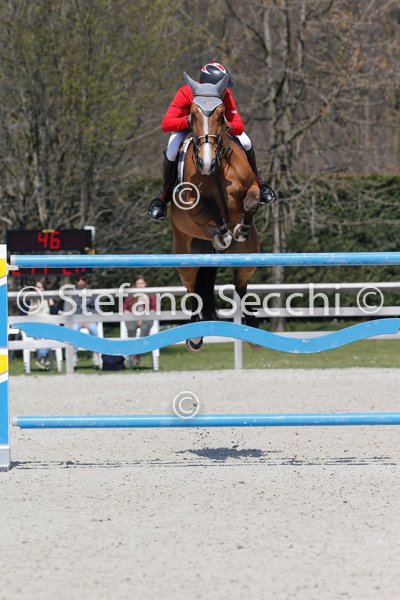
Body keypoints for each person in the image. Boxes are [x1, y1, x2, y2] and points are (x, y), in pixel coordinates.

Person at [148, 62, 276, 221]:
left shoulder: (225, 94)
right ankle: (162, 198)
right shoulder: (185, 92)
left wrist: (225, 124)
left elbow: (238, 126)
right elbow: (166, 123)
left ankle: (259, 184)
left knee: (246, 142)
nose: (223, 91)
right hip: (187, 126)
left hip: (214, 127)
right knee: (172, 150)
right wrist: (188, 120)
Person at [123, 275, 156, 367]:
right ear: (135, 285)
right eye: (138, 284)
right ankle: (135, 353)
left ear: (145, 284)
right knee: (130, 328)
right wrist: (133, 316)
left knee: (145, 327)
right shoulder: (131, 295)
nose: (140, 285)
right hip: (132, 318)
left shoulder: (150, 294)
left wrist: (143, 317)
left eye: (142, 283)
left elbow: (154, 308)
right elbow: (124, 308)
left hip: (146, 318)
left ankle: (137, 353)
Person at [69, 274, 100, 368]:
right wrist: (80, 321)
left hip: (90, 319)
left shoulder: (91, 293)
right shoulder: (71, 295)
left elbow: (96, 309)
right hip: (76, 320)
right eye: (78, 279)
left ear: (86, 281)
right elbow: (69, 310)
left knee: (93, 329)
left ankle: (95, 354)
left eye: (83, 279)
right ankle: (73, 355)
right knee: (74, 330)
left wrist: (89, 320)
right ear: (76, 281)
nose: (81, 281)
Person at [26, 281, 56, 370]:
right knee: (40, 335)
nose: (40, 289)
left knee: (46, 335)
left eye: (41, 287)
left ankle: (41, 359)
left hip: (47, 324)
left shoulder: (48, 299)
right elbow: (24, 314)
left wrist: (51, 302)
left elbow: (55, 313)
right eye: (38, 287)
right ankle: (43, 358)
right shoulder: (30, 300)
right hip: (34, 325)